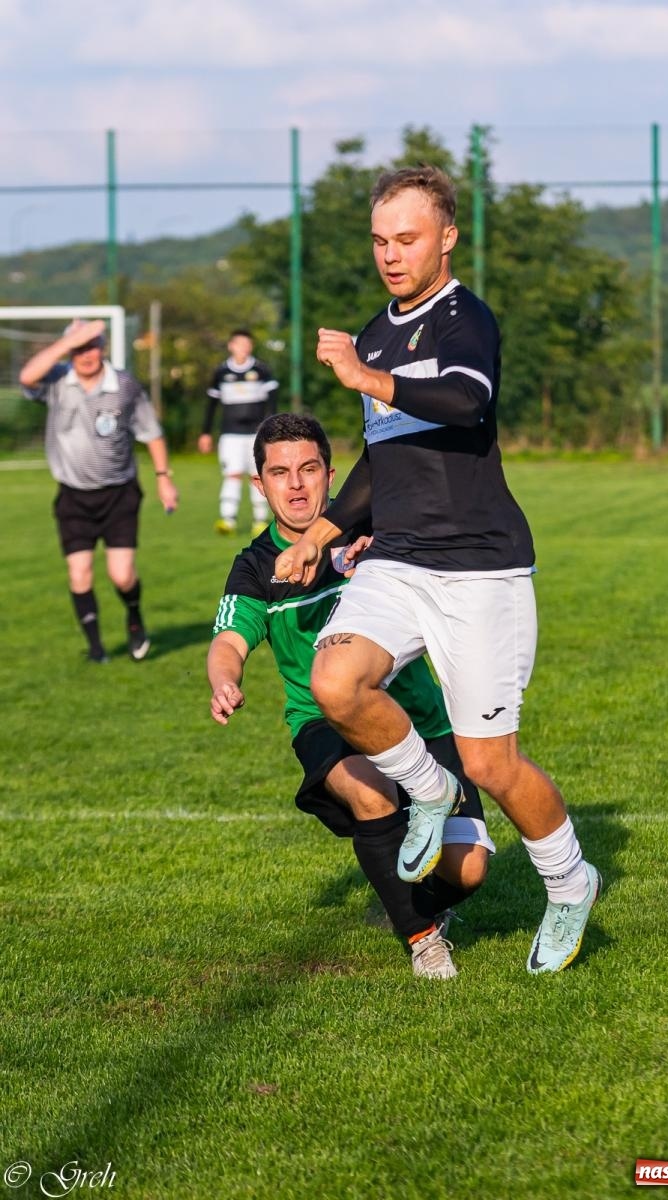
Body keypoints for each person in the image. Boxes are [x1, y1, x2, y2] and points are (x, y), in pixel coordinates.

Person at [273, 165, 601, 976]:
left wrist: (366, 377)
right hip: (400, 562)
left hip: (482, 571)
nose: (391, 254)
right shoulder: (375, 333)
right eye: (381, 240)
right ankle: (426, 788)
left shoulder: (464, 321)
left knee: (491, 762)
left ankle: (569, 882)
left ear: (446, 237)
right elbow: (383, 461)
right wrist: (324, 528)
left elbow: (465, 404)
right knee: (337, 684)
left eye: (408, 238)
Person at [207, 412, 493, 979]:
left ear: (331, 476)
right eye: (280, 473)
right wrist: (225, 677)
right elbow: (230, 639)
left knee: (469, 871)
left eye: (308, 469)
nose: (295, 485)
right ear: (259, 485)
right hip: (323, 722)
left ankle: (405, 903)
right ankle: (422, 939)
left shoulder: (380, 530)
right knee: (371, 791)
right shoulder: (255, 567)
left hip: (420, 719)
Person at [19, 319, 179, 663]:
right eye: (79, 348)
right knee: (79, 573)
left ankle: (134, 614)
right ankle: (96, 649)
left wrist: (164, 477)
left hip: (119, 493)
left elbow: (151, 433)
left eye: (91, 346)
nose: (86, 355)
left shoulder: (123, 385)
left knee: (121, 575)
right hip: (73, 495)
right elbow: (26, 377)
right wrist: (69, 341)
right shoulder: (58, 379)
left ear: (103, 348)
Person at [198, 328, 279, 536]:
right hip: (230, 434)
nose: (243, 348)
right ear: (231, 346)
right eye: (239, 344)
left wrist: (272, 430)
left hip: (256, 434)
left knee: (257, 475)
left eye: (247, 344)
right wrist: (205, 432)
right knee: (232, 474)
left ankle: (260, 521)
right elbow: (211, 405)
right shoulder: (221, 372)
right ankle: (228, 520)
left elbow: (272, 404)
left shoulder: (262, 370)